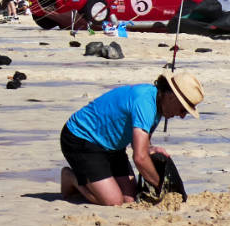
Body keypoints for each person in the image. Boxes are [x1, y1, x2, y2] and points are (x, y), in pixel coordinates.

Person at [59, 72, 203, 204]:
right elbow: (139, 158)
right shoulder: (145, 103)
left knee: (130, 199)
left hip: (112, 146)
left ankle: (95, 182)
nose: (183, 115)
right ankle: (71, 177)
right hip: (81, 138)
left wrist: (150, 148)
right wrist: (161, 187)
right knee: (113, 201)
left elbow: (140, 144)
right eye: (183, 109)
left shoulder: (159, 103)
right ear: (171, 97)